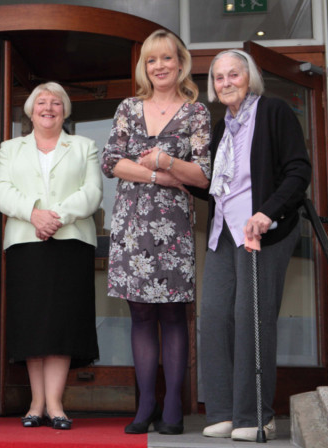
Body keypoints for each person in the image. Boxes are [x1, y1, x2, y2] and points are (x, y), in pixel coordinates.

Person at [101, 29, 211, 435]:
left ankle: (173, 409)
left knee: (173, 313)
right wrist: (159, 175)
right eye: (152, 60)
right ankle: (145, 403)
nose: (160, 66)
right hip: (131, 223)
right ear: (144, 67)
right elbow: (111, 161)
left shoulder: (196, 113)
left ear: (180, 63)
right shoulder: (129, 107)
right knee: (141, 313)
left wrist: (166, 160)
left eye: (166, 58)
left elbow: (201, 174)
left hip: (174, 227)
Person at [198, 49, 311, 442]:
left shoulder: (274, 112)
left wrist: (267, 212)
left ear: (251, 78)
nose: (226, 82)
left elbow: (298, 170)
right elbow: (217, 187)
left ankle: (256, 415)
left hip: (263, 231)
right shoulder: (220, 129)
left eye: (234, 75)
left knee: (252, 320)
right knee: (212, 317)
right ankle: (225, 411)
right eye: (218, 78)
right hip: (222, 234)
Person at [0, 82, 102, 430]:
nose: (49, 107)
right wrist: (34, 213)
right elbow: (2, 191)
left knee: (61, 324)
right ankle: (35, 402)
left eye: (56, 103)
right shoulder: (10, 148)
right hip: (26, 243)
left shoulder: (84, 146)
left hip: (71, 242)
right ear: (30, 110)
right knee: (33, 324)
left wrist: (56, 216)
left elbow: (93, 192)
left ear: (65, 110)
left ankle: (54, 403)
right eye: (41, 102)